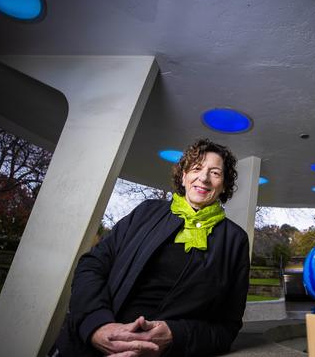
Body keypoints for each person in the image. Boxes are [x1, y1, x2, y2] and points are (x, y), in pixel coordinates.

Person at [53, 138, 251, 357]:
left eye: (215, 173)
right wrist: (97, 324)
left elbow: (227, 326)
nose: (203, 178)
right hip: (87, 347)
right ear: (184, 176)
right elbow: (92, 265)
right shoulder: (147, 211)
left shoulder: (235, 240)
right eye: (196, 168)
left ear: (223, 185)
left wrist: (175, 336)